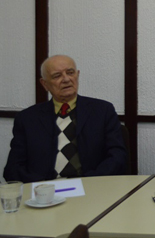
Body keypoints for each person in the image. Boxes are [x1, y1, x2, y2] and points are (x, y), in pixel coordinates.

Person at [4, 55, 127, 183]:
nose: (66, 79)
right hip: (45, 190)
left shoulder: (102, 111)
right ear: (45, 84)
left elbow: (117, 156)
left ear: (77, 75)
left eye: (70, 72)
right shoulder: (27, 119)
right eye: (57, 76)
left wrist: (89, 182)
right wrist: (42, 186)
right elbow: (13, 168)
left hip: (91, 186)